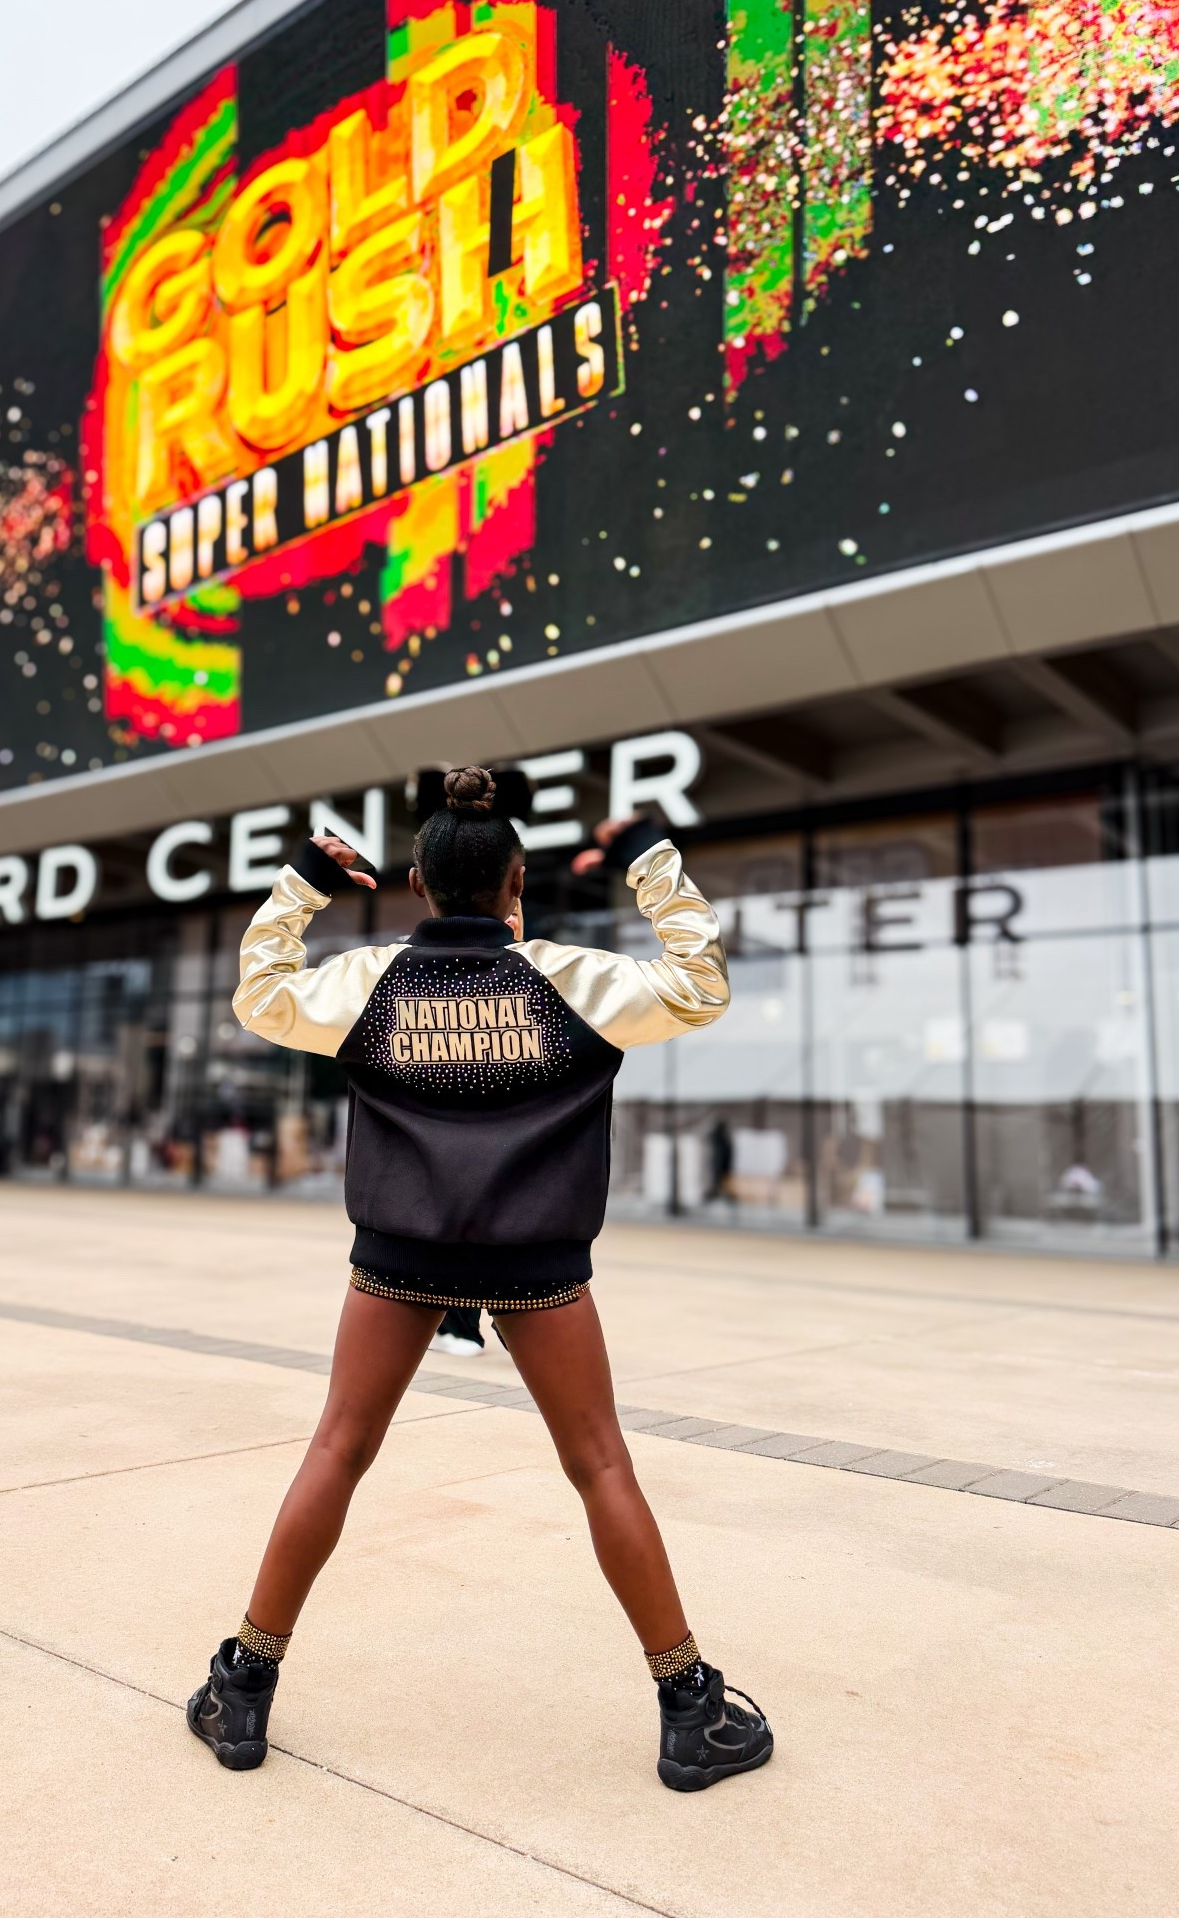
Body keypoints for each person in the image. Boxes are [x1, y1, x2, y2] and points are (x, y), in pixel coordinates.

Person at [187, 765, 773, 1791]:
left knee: (338, 1450)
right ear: (519, 880)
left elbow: (260, 991)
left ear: (416, 882)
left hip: (396, 1259)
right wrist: (647, 857)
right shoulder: (574, 980)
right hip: (539, 1263)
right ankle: (690, 1710)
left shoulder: (370, 982)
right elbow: (700, 978)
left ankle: (244, 1683)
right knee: (601, 1469)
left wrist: (300, 881)